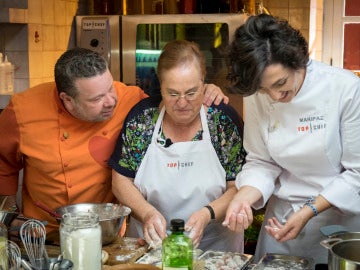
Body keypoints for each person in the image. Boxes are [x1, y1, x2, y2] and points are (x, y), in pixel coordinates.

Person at [0, 47, 227, 239]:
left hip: (107, 234)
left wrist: (205, 90)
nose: (111, 101)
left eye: (110, 87)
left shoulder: (131, 100)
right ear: (67, 100)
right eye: (97, 98)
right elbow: (3, 166)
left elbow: (175, 96)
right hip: (43, 234)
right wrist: (9, 217)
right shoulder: (22, 110)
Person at [222, 14, 360, 264]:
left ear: (298, 59)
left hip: (339, 227)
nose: (274, 96)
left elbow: (357, 172)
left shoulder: (344, 88)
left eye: (282, 83)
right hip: (281, 224)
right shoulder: (257, 94)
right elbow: (261, 161)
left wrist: (308, 211)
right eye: (265, 89)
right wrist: (243, 196)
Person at [109, 40, 247, 252]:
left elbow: (238, 184)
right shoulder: (143, 119)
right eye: (172, 94)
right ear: (160, 86)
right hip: (151, 244)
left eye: (191, 93)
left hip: (215, 245)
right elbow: (120, 180)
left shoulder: (222, 120)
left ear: (204, 83)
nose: (182, 103)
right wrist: (146, 213)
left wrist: (207, 214)